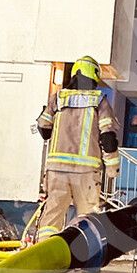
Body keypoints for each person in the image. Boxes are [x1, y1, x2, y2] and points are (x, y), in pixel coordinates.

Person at [33, 56, 120, 242]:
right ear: (94, 76)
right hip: (86, 172)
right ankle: (84, 258)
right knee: (88, 218)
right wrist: (112, 167)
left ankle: (44, 254)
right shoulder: (100, 100)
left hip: (57, 170)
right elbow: (108, 137)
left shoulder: (58, 98)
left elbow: (43, 129)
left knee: (52, 215)